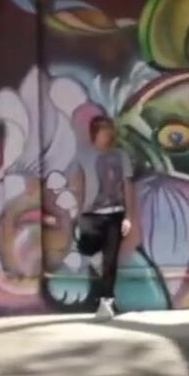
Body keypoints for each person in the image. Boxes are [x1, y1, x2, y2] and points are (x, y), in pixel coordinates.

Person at [74, 115, 135, 320]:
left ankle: (106, 301)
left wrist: (128, 216)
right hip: (91, 215)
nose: (109, 134)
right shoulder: (83, 156)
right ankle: (105, 295)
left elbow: (127, 186)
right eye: (105, 130)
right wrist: (78, 215)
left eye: (110, 130)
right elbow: (79, 186)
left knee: (110, 260)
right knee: (86, 249)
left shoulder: (121, 156)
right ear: (95, 133)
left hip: (115, 214)